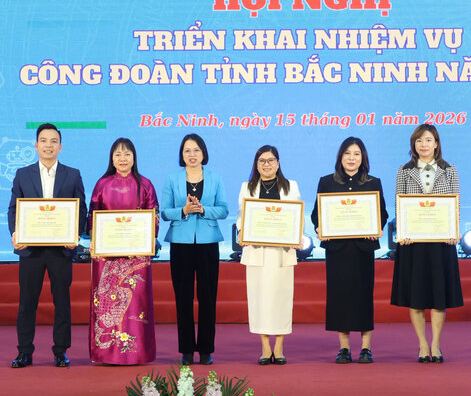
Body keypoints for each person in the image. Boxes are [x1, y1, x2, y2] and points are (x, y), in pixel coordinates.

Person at [8, 123, 87, 368]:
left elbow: (81, 208)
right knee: (27, 303)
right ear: (36, 145)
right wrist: (15, 233)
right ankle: (24, 352)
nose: (48, 145)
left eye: (54, 141)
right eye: (44, 140)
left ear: (60, 147)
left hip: (61, 250)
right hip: (30, 250)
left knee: (62, 302)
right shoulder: (23, 174)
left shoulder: (72, 174)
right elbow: (14, 208)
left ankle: (61, 351)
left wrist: (75, 234)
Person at [310, 137, 388, 364]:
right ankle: (343, 348)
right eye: (347, 154)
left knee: (363, 296)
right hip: (337, 248)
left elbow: (381, 213)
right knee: (339, 297)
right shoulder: (326, 182)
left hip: (362, 248)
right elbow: (317, 213)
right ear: (340, 157)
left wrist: (377, 227)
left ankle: (366, 348)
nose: (351, 158)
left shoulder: (373, 182)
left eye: (356, 154)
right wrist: (319, 225)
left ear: (363, 158)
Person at [391, 123, 463, 363]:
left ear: (437, 143)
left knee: (438, 296)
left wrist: (454, 230)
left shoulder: (450, 170)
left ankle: (436, 344)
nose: (424, 145)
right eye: (419, 140)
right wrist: (403, 232)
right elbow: (399, 205)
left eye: (428, 140)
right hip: (414, 243)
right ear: (414, 144)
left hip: (441, 241)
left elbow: (455, 204)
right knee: (417, 296)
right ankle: (422, 344)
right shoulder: (404, 170)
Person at [87, 138, 158, 365]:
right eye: (118, 155)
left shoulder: (145, 185)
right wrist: (95, 239)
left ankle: (137, 353)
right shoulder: (102, 184)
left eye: (127, 154)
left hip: (135, 257)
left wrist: (144, 240)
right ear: (112, 159)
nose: (122, 159)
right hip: (107, 257)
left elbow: (153, 218)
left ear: (134, 157)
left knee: (134, 303)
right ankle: (106, 353)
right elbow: (93, 217)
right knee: (108, 301)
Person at [161, 133, 228, 366]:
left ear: (204, 153)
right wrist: (185, 210)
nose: (192, 154)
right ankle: (187, 350)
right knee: (183, 298)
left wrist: (203, 209)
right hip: (181, 243)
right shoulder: (172, 178)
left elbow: (224, 210)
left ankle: (207, 350)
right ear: (182, 154)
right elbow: (164, 212)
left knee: (208, 298)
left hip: (208, 243)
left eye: (196, 150)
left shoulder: (215, 178)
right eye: (187, 150)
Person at [236, 145, 300, 365]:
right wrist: (241, 233)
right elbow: (240, 218)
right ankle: (265, 348)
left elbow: (296, 218)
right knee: (259, 300)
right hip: (257, 252)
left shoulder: (291, 186)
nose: (266, 164)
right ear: (256, 164)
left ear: (278, 163)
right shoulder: (247, 187)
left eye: (271, 160)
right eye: (262, 161)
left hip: (282, 253)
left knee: (281, 300)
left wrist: (297, 236)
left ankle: (279, 348)